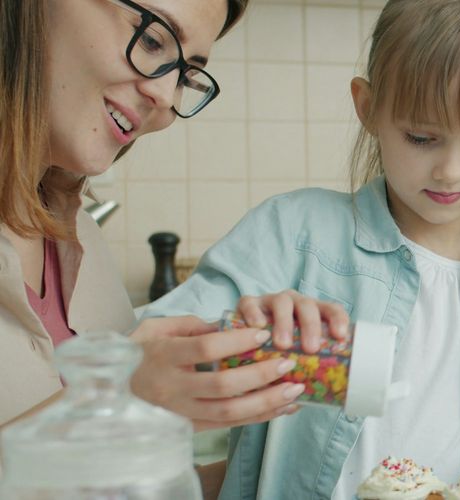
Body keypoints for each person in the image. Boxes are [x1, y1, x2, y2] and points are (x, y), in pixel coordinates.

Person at [144, 0, 460, 498]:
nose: (451, 170)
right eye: (422, 137)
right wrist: (250, 333)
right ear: (368, 108)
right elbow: (145, 363)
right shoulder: (292, 235)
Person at [0, 0, 336, 434]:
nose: (164, 97)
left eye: (186, 76)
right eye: (153, 39)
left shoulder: (74, 228)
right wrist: (111, 399)